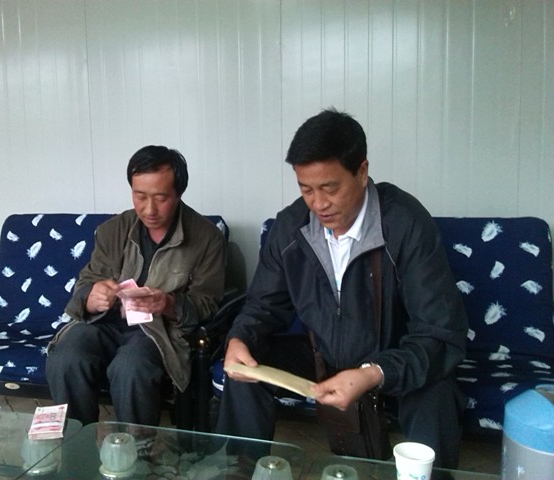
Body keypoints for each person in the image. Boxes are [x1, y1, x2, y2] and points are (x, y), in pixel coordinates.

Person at [215, 109, 468, 469]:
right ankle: (237, 473)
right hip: (323, 355)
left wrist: (373, 371)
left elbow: (440, 333)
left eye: (330, 188)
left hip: (394, 360)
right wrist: (240, 338)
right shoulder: (291, 228)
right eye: (306, 189)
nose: (318, 204)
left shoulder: (406, 225)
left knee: (436, 392)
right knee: (248, 368)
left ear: (362, 172)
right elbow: (262, 306)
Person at [46, 145, 227, 426]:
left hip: (159, 332)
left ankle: (135, 449)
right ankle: (74, 443)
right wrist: (90, 298)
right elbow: (86, 282)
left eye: (161, 198)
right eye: (139, 196)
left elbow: (208, 303)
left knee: (131, 368)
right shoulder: (113, 230)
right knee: (66, 357)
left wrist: (168, 303)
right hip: (104, 324)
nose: (149, 209)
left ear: (178, 193)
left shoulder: (207, 238)